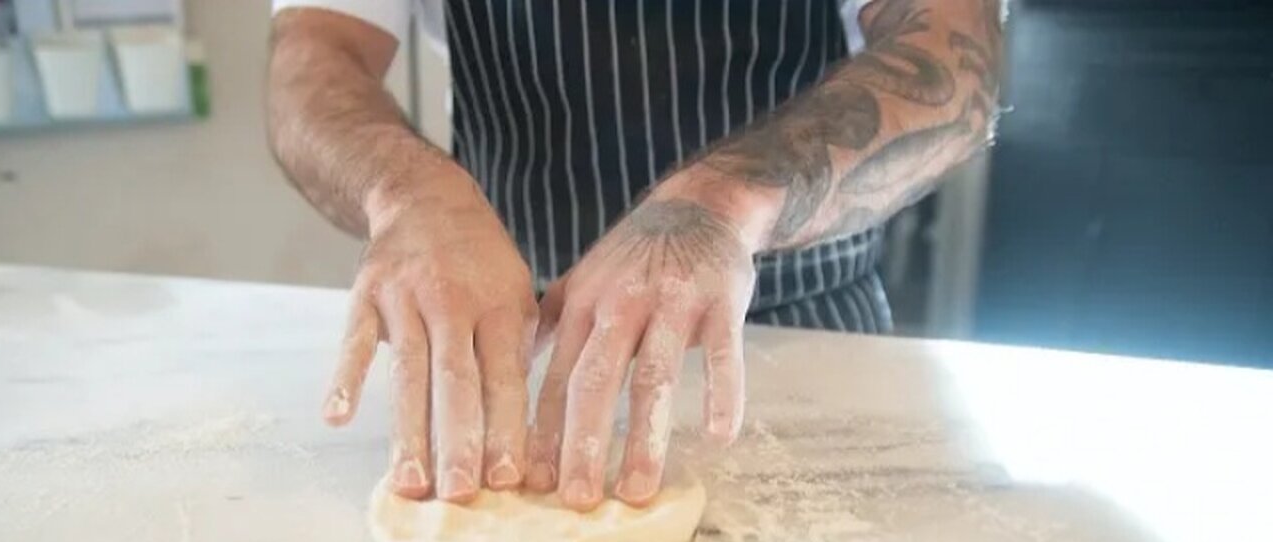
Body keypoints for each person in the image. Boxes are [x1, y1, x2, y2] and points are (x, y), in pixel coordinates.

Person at [266, 0, 1002, 511]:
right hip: (515, 339)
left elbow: (952, 62)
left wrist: (724, 202)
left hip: (803, 327)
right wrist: (403, 191)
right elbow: (315, 54)